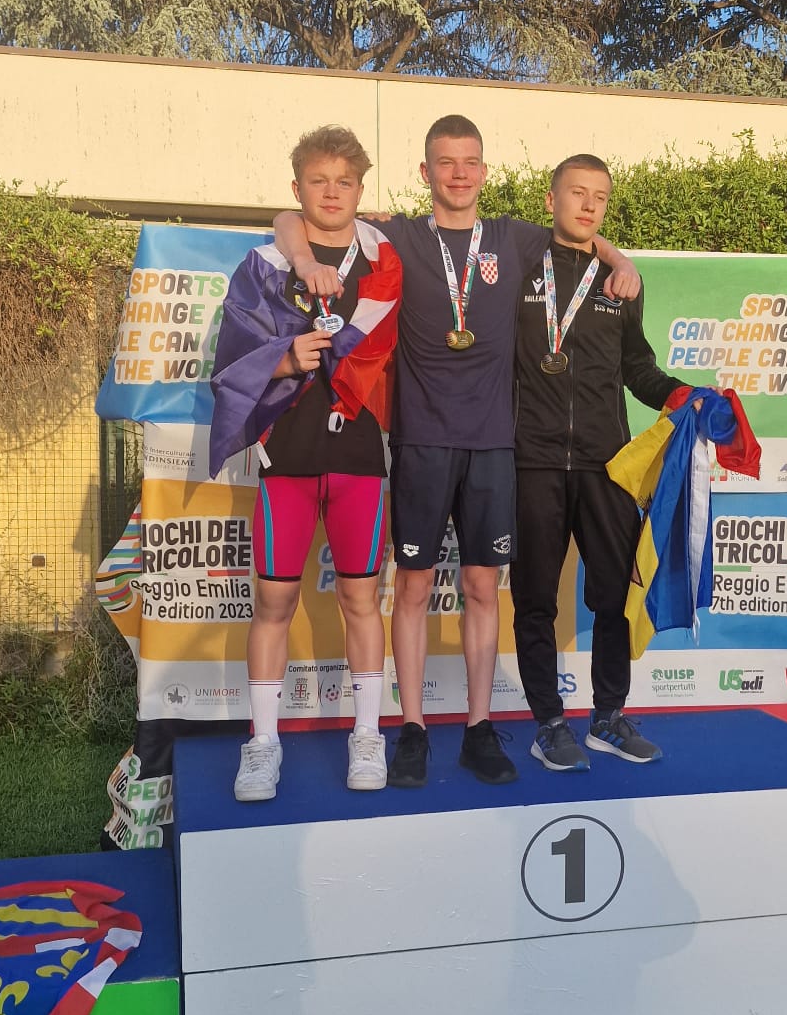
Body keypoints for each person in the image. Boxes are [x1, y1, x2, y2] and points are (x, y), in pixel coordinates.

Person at [275, 114, 638, 788]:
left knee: (480, 588)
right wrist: (301, 260)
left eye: (470, 161)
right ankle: (413, 729)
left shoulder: (511, 238)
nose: (459, 173)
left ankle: (478, 728)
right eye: (446, 162)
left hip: (494, 443)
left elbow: (579, 230)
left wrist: (620, 260)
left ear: (485, 171)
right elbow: (289, 219)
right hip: (420, 440)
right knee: (412, 587)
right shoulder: (401, 236)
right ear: (426, 172)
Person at [208, 125, 401, 803]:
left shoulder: (384, 260)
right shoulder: (266, 264)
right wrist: (285, 360)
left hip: (359, 457)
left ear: (361, 188)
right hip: (287, 458)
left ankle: (367, 735)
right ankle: (262, 743)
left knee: (361, 600)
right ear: (297, 187)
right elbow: (229, 363)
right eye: (318, 180)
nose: (332, 192)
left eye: (345, 181)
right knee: (273, 602)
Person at [511, 154, 683, 771]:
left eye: (600, 197)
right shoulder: (518, 265)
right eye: (577, 193)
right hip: (532, 461)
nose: (588, 206)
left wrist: (683, 395)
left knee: (613, 595)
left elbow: (637, 368)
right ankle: (548, 723)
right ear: (551, 198)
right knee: (535, 600)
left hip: (608, 466)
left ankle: (608, 717)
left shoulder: (620, 284)